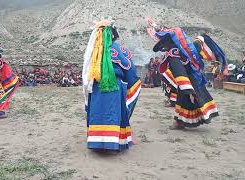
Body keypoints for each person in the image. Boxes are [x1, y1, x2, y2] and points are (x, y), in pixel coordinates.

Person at [83, 19, 141, 151]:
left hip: (96, 88)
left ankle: (96, 142)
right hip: (115, 87)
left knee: (97, 113)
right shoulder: (121, 50)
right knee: (115, 113)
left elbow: (86, 73)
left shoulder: (92, 52)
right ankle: (115, 141)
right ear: (113, 34)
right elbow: (130, 71)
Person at [151, 28, 219, 129]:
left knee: (185, 101)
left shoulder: (173, 53)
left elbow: (179, 71)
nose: (163, 46)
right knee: (187, 101)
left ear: (168, 43)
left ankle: (179, 123)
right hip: (191, 80)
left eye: (163, 43)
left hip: (186, 81)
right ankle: (181, 121)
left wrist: (187, 89)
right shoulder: (181, 50)